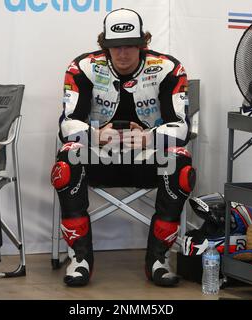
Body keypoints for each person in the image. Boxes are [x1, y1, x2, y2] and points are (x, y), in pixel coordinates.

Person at [51, 8, 195, 287]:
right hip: (98, 159)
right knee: (67, 161)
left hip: (148, 160)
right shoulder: (81, 67)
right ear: (104, 44)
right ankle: (79, 258)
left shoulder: (168, 68)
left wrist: (148, 138)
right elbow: (67, 124)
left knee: (180, 165)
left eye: (131, 45)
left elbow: (182, 127)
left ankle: (158, 259)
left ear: (144, 44)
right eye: (116, 47)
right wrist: (96, 135)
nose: (124, 54)